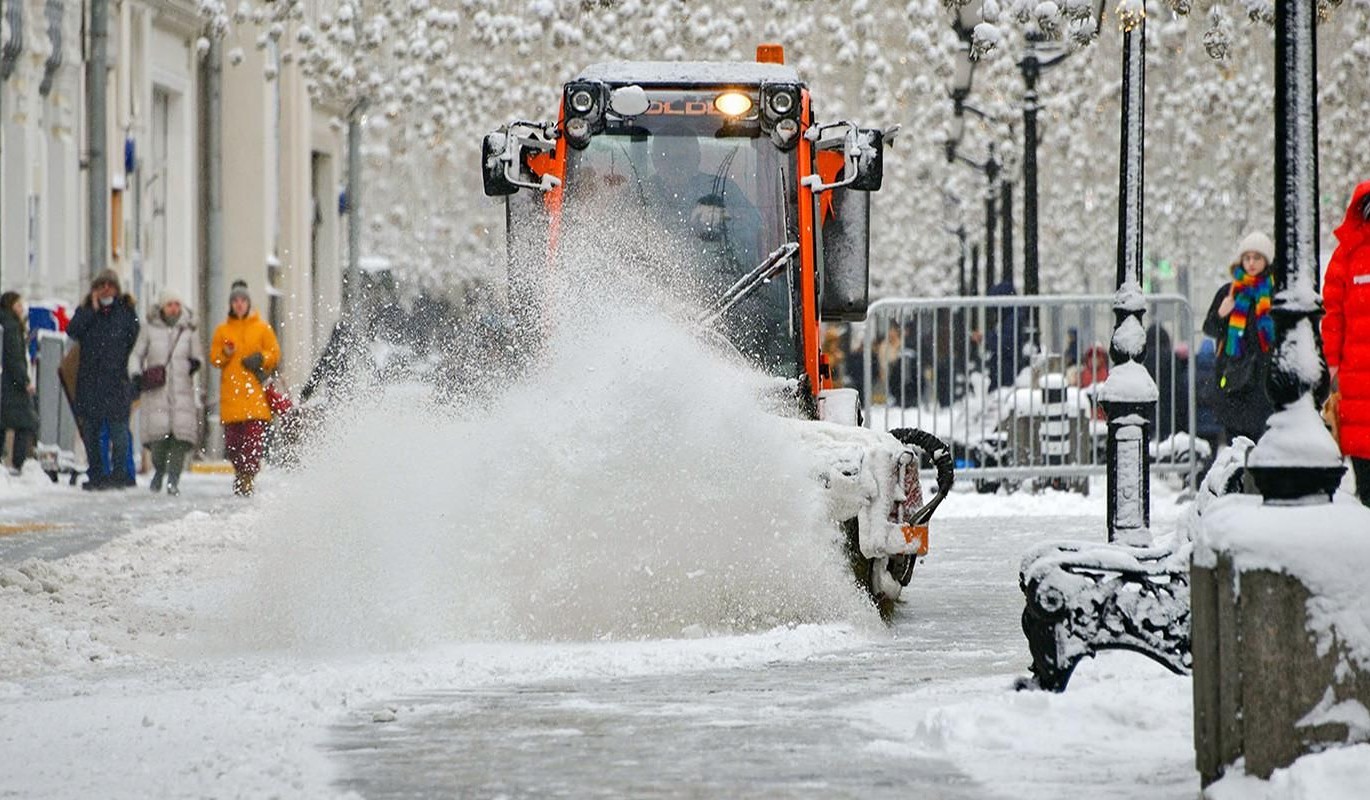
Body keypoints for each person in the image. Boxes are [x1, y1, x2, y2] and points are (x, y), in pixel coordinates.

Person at [66, 269, 140, 490]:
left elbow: (133, 338)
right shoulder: (87, 312)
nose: (106, 289)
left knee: (119, 433)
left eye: (110, 285)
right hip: (90, 383)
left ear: (117, 289)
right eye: (101, 285)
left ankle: (119, 474)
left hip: (116, 382)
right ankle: (96, 474)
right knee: (92, 434)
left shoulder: (125, 312)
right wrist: (92, 310)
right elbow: (72, 330)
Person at [1202, 231, 1278, 445]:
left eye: (1257, 258)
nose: (1251, 263)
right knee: (1237, 444)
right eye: (1247, 258)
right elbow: (1209, 328)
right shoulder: (1229, 293)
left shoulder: (1274, 293)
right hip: (1235, 382)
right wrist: (1221, 314)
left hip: (1264, 382)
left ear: (1267, 261)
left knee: (1264, 444)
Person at [1322, 181, 1370, 507]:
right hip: (1356, 383)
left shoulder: (1346, 256)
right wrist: (1331, 363)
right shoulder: (1346, 255)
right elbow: (1333, 313)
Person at [128, 289, 203, 496]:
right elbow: (136, 354)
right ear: (162, 307)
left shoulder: (189, 330)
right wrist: (135, 374)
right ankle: (159, 470)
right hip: (157, 391)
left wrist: (196, 364)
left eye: (177, 304)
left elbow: (197, 354)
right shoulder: (149, 329)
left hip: (181, 390)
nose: (174, 309)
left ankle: (173, 480)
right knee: (159, 440)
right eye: (170, 304)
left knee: (180, 439)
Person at [211, 280, 280, 496]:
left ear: (249, 303)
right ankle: (240, 473)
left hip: (254, 397)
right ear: (231, 304)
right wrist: (226, 354)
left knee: (252, 444)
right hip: (231, 397)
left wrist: (261, 358)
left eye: (243, 300)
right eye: (235, 301)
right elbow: (215, 358)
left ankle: (248, 477)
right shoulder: (223, 330)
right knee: (233, 445)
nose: (239, 304)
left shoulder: (261, 328)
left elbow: (274, 354)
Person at [1, 291, 39, 475]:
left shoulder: (6, 324)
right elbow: (15, 357)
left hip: (6, 383)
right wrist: (24, 380)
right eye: (18, 305)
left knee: (4, 421)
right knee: (26, 422)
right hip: (13, 384)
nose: (21, 309)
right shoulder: (11, 327)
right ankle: (18, 463)